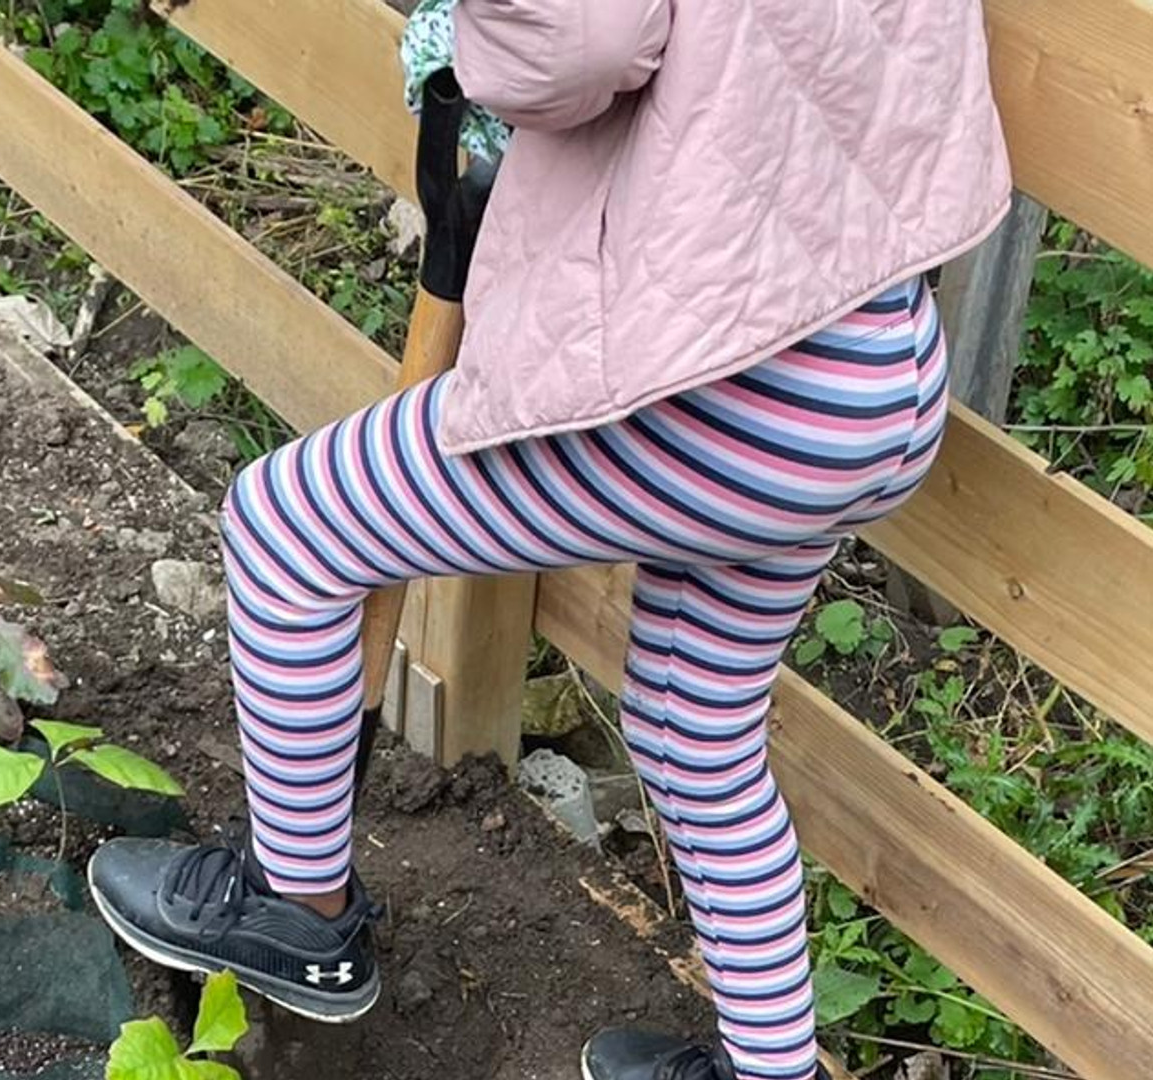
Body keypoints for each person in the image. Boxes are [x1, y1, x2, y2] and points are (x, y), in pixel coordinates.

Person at [87, 0, 1012, 1077]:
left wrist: (472, 42)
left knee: (291, 525)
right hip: (867, 370)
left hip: (719, 374)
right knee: (695, 719)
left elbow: (583, 42)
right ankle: (772, 1069)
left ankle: (299, 919)